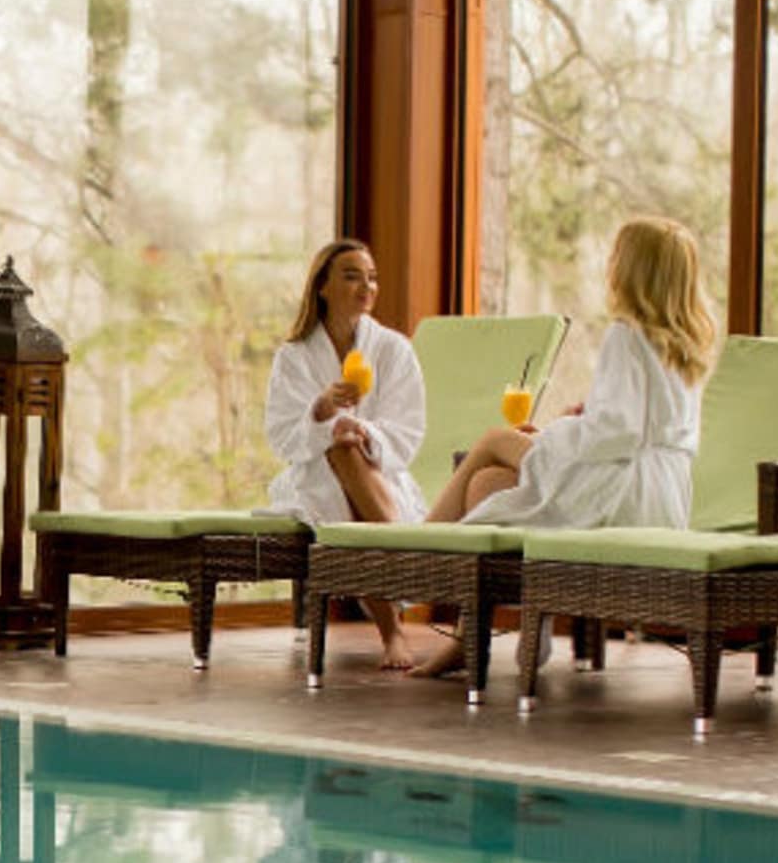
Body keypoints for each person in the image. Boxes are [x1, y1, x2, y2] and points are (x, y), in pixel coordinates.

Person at [413, 215, 714, 678]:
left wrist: (554, 434)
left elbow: (618, 432)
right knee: (490, 485)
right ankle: (497, 632)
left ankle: (419, 552)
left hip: (619, 488)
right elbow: (636, 420)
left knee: (494, 440)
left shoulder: (626, 334)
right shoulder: (687, 344)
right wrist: (587, 414)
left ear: (630, 269)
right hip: (663, 496)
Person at [264, 239, 428, 669]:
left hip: (381, 476)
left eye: (372, 277)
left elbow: (408, 432)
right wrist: (320, 415)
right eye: (352, 275)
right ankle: (400, 588)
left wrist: (365, 433)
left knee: (348, 450)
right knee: (337, 449)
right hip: (312, 475)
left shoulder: (393, 350)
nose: (366, 286)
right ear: (322, 286)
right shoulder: (294, 356)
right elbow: (281, 436)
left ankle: (393, 630)